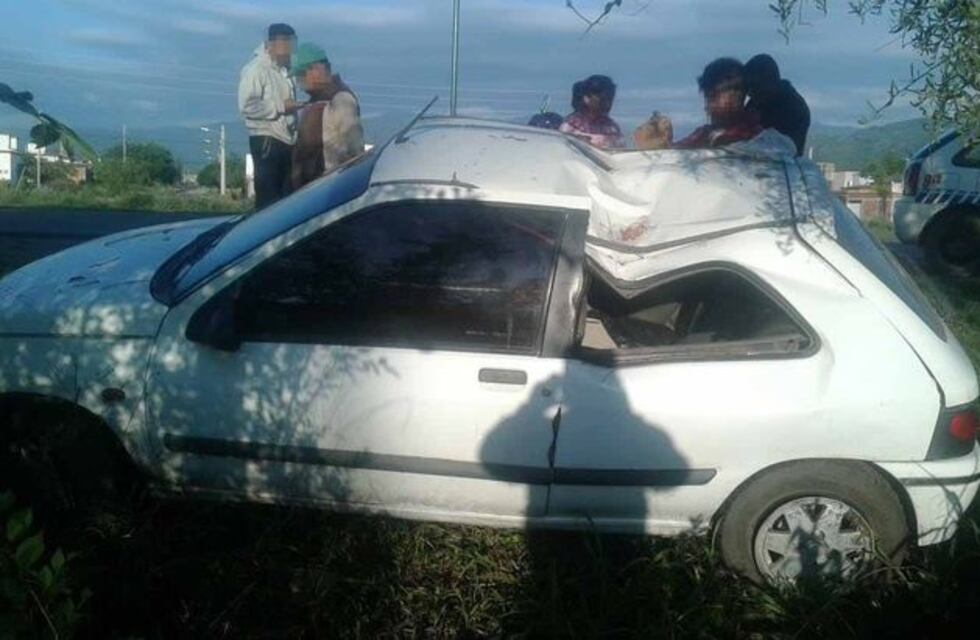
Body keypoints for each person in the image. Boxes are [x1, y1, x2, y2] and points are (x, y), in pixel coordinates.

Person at [238, 23, 301, 209]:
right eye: (287, 44)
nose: (291, 50)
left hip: (287, 139)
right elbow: (247, 106)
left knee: (286, 199)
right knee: (269, 200)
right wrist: (281, 106)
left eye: (293, 44)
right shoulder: (256, 69)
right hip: (267, 140)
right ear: (272, 44)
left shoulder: (285, 71)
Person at [289, 44, 365, 191]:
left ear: (318, 69)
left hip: (330, 188)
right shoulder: (315, 101)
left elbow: (355, 151)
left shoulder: (341, 99)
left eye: (301, 74)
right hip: (310, 190)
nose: (299, 82)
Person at [674, 58, 762, 150]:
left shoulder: (756, 135)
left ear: (737, 97)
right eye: (707, 98)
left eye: (712, 97)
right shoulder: (703, 133)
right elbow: (674, 151)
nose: (707, 107)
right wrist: (661, 142)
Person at [744, 54, 811, 156]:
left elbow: (777, 146)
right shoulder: (758, 100)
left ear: (768, 79)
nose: (749, 93)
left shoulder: (792, 107)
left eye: (753, 86)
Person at [559, 75, 624, 149]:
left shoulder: (611, 127)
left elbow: (620, 147)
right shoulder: (571, 124)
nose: (607, 103)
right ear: (586, 98)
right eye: (603, 99)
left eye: (610, 99)